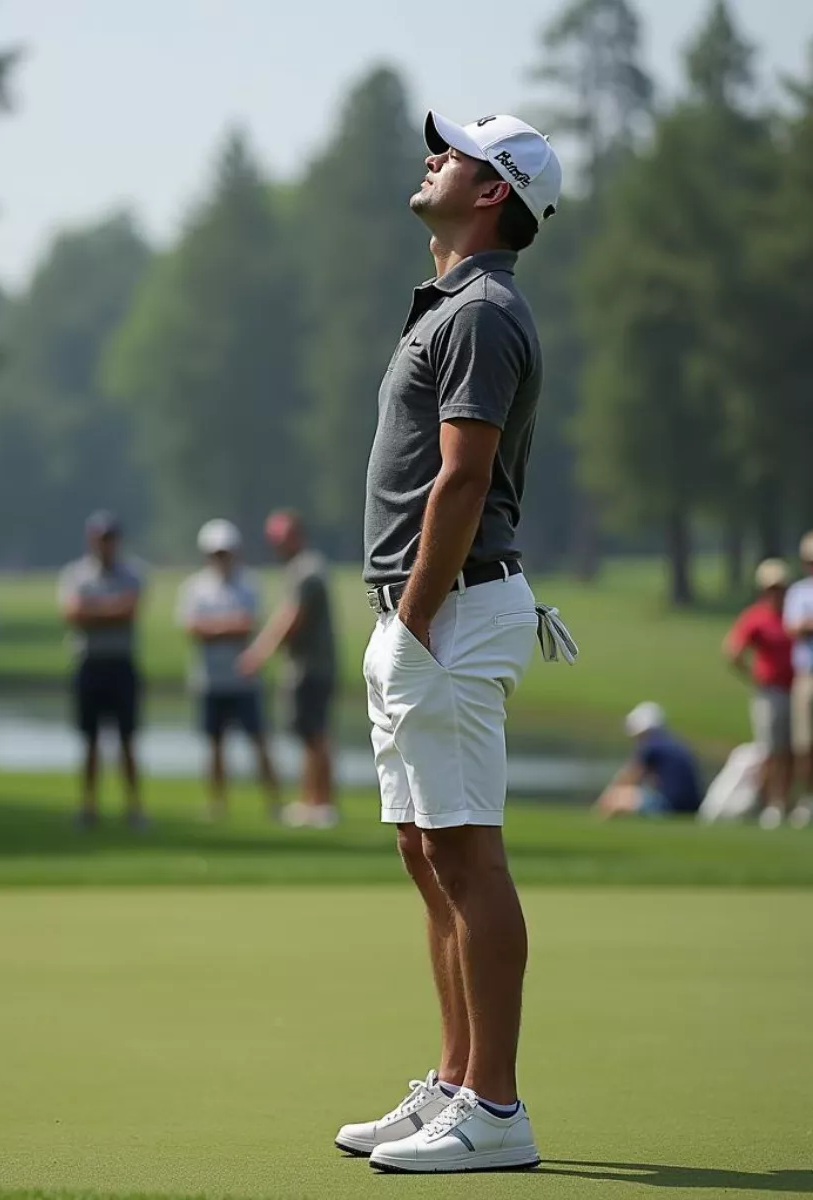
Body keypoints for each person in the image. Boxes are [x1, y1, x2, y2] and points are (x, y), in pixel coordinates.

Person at [340, 111, 565, 1174]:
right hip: (426, 610)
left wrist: (419, 612)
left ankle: (497, 1110)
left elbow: (464, 476)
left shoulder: (481, 312)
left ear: (493, 191)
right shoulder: (447, 304)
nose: (433, 155)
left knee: (468, 854)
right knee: (431, 854)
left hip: (452, 608)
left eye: (457, 151)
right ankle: (454, 1086)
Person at [239, 509, 339, 829]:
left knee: (315, 733)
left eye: (280, 538)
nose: (276, 545)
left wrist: (258, 653)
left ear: (295, 535)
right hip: (309, 665)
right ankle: (312, 801)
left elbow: (291, 619)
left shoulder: (306, 569)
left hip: (311, 666)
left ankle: (319, 803)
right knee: (310, 733)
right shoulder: (301, 567)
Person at [177, 519, 279, 821]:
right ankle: (217, 805)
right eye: (216, 553)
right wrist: (228, 626)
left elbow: (248, 624)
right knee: (215, 746)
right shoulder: (194, 588)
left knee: (259, 741)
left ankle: (274, 803)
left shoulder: (249, 584)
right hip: (210, 680)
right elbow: (193, 629)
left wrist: (216, 628)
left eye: (225, 552)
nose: (221, 558)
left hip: (244, 680)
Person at [58, 512, 146, 830]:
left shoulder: (133, 573)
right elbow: (72, 612)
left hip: (121, 665)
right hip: (89, 665)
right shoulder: (76, 574)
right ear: (91, 540)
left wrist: (93, 609)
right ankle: (88, 807)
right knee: (90, 741)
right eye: (99, 538)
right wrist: (109, 608)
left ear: (117, 540)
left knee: (127, 740)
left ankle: (134, 808)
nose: (105, 544)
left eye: (109, 538)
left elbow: (130, 609)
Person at [724, 559, 799, 829]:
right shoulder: (756, 616)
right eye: (772, 588)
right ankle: (770, 804)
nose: (776, 593)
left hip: (797, 690)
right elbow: (732, 652)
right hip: (770, 692)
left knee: (795, 752)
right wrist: (755, 676)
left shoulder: (795, 613)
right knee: (771, 751)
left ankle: (786, 803)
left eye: (780, 588)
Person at [595, 702, 702, 818]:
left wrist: (604, 800)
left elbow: (629, 776)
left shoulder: (652, 745)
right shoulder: (674, 742)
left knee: (617, 798)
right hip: (692, 806)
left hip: (670, 805)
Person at [783, 531, 813, 824]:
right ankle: (807, 799)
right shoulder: (799, 592)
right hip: (807, 676)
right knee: (804, 744)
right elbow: (794, 628)